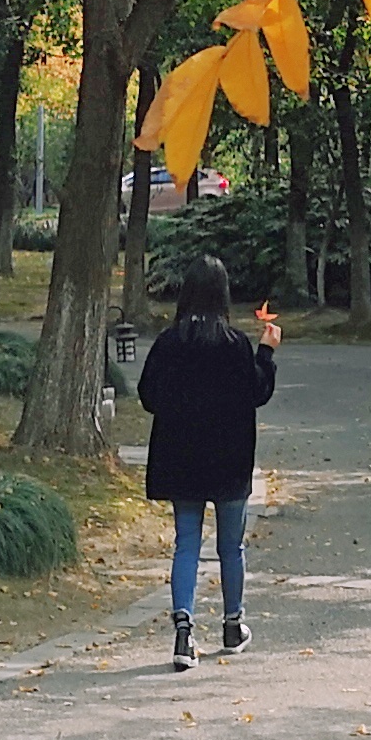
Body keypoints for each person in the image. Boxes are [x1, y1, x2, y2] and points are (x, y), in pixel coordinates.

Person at [136, 252, 276, 671]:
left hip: (182, 459)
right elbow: (257, 393)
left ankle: (183, 633)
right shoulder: (235, 346)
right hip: (229, 460)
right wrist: (267, 352)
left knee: (187, 543)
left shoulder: (169, 343)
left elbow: (148, 396)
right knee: (231, 546)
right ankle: (233, 625)